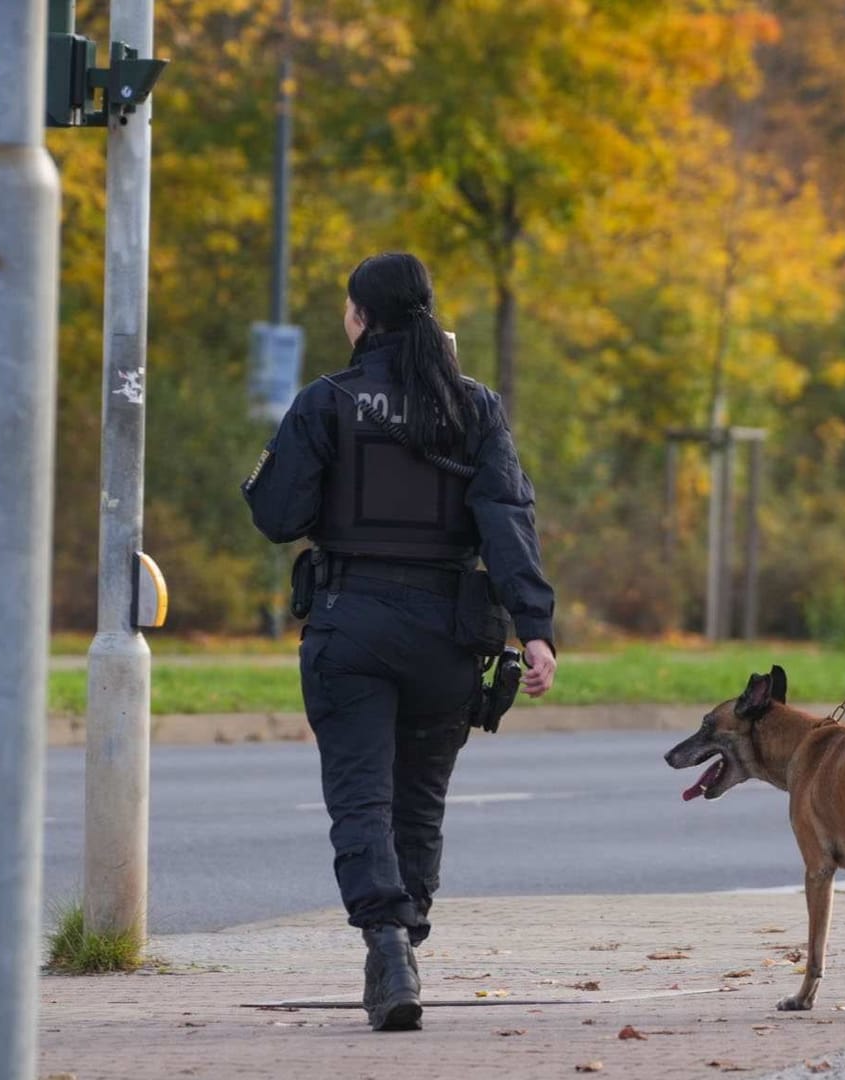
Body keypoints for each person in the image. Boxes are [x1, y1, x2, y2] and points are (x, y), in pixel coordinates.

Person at [243, 252, 557, 1032]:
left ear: (359, 318)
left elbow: (278, 516)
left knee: (361, 796)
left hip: (351, 627)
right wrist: (537, 628)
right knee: (418, 802)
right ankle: (405, 933)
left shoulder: (327, 402)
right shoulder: (474, 407)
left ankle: (386, 946)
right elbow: (507, 520)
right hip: (447, 634)